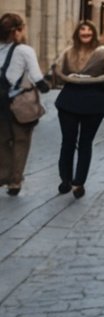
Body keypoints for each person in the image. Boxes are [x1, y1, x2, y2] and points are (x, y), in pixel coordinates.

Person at [51, 20, 104, 198]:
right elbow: (57, 71)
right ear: (78, 33)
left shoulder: (101, 53)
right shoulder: (68, 52)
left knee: (85, 143)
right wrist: (69, 77)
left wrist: (91, 80)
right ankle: (65, 179)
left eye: (89, 30)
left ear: (93, 33)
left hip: (92, 102)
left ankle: (79, 182)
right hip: (69, 101)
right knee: (68, 142)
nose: (85, 33)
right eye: (82, 30)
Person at [0, 12, 49, 196]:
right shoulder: (24, 50)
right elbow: (37, 77)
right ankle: (15, 181)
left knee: (3, 141)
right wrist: (46, 86)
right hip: (19, 103)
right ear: (18, 31)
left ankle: (3, 175)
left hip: (0, 103)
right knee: (21, 141)